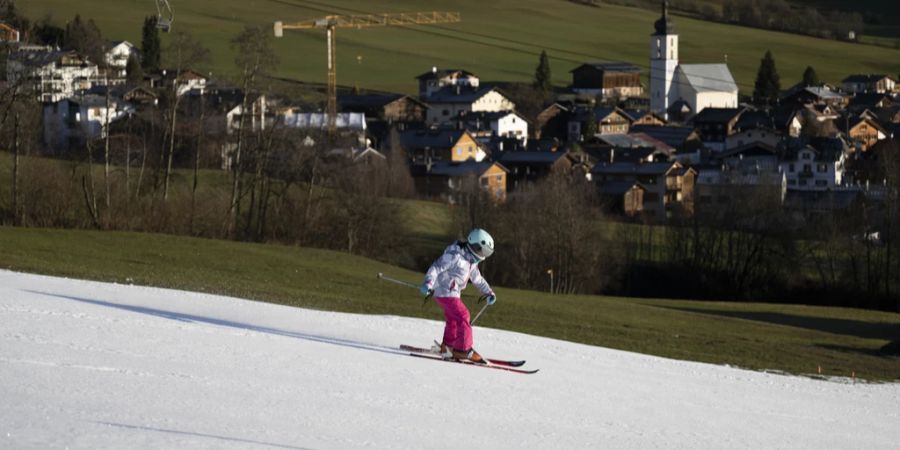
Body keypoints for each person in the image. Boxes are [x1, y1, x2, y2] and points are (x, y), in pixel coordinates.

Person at [420, 228, 496, 363]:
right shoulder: (455, 256)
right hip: (444, 291)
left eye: (486, 252)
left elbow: (477, 279)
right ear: (473, 244)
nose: (482, 255)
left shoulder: (471, 261)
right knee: (463, 315)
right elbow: (436, 267)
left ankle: (447, 347)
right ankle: (463, 350)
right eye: (481, 250)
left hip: (452, 293)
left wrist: (488, 292)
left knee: (454, 319)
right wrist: (428, 283)